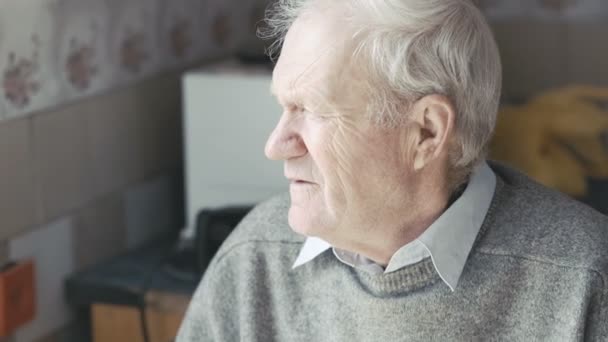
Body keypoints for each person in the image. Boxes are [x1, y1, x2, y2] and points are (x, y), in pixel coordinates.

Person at [177, 0, 608, 340]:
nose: (275, 146)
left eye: (314, 111)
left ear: (426, 132)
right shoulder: (256, 255)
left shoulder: (586, 279)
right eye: (285, 107)